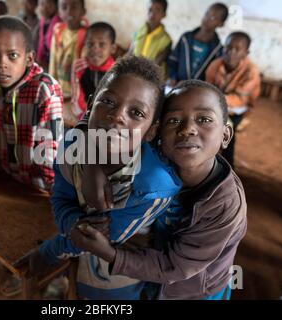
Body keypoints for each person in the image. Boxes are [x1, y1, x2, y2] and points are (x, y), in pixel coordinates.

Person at [72, 80, 247, 300]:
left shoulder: (226, 205)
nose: (187, 129)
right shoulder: (157, 155)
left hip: (192, 291)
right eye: (173, 120)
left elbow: (174, 266)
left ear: (225, 135)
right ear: (157, 132)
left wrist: (109, 253)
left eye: (204, 119)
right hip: (149, 269)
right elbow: (92, 119)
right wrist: (91, 162)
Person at [35, 56, 182, 300]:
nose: (118, 116)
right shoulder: (72, 144)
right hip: (72, 255)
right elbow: (60, 198)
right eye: (108, 102)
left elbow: (95, 241)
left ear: (152, 131)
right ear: (91, 105)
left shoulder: (151, 187)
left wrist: (45, 254)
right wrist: (71, 223)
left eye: (136, 113)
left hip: (116, 278)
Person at [0, 16, 63, 193]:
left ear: (29, 59)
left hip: (39, 186)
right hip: (5, 177)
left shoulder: (44, 89)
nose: (1, 65)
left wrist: (55, 193)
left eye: (12, 56)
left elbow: (49, 150)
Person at [206, 31, 261, 167]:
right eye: (228, 47)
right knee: (209, 129)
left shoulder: (251, 71)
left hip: (238, 109)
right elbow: (207, 88)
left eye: (237, 49)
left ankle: (228, 166)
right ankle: (207, 162)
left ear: (246, 53)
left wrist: (215, 98)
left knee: (228, 132)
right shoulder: (215, 65)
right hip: (216, 105)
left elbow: (240, 99)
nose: (231, 52)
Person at [167, 2, 228, 84]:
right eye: (207, 14)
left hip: (199, 91)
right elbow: (173, 60)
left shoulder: (218, 50)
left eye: (213, 18)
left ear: (221, 24)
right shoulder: (186, 38)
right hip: (177, 85)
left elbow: (214, 75)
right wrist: (172, 77)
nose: (207, 19)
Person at [70, 22, 116, 121]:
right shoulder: (79, 67)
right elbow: (77, 97)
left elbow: (115, 102)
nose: (95, 49)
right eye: (90, 44)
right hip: (83, 114)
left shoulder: (116, 72)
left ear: (112, 48)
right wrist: (85, 117)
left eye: (102, 44)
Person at [49, 0, 87, 99]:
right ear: (59, 12)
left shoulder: (87, 35)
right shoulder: (58, 31)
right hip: (59, 89)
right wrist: (52, 86)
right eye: (64, 7)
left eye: (74, 7)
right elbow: (53, 61)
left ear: (83, 11)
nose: (69, 12)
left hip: (77, 93)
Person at [129, 0, 171, 80]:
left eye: (157, 10)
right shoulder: (139, 31)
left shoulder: (166, 40)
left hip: (151, 78)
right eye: (150, 9)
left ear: (164, 14)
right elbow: (130, 53)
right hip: (134, 73)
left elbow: (156, 63)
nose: (152, 14)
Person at [34, 0, 61, 70]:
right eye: (41, 4)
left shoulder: (58, 21)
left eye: (48, 3)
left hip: (54, 60)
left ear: (56, 6)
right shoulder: (42, 22)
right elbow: (40, 43)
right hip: (44, 60)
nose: (45, 7)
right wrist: (38, 59)